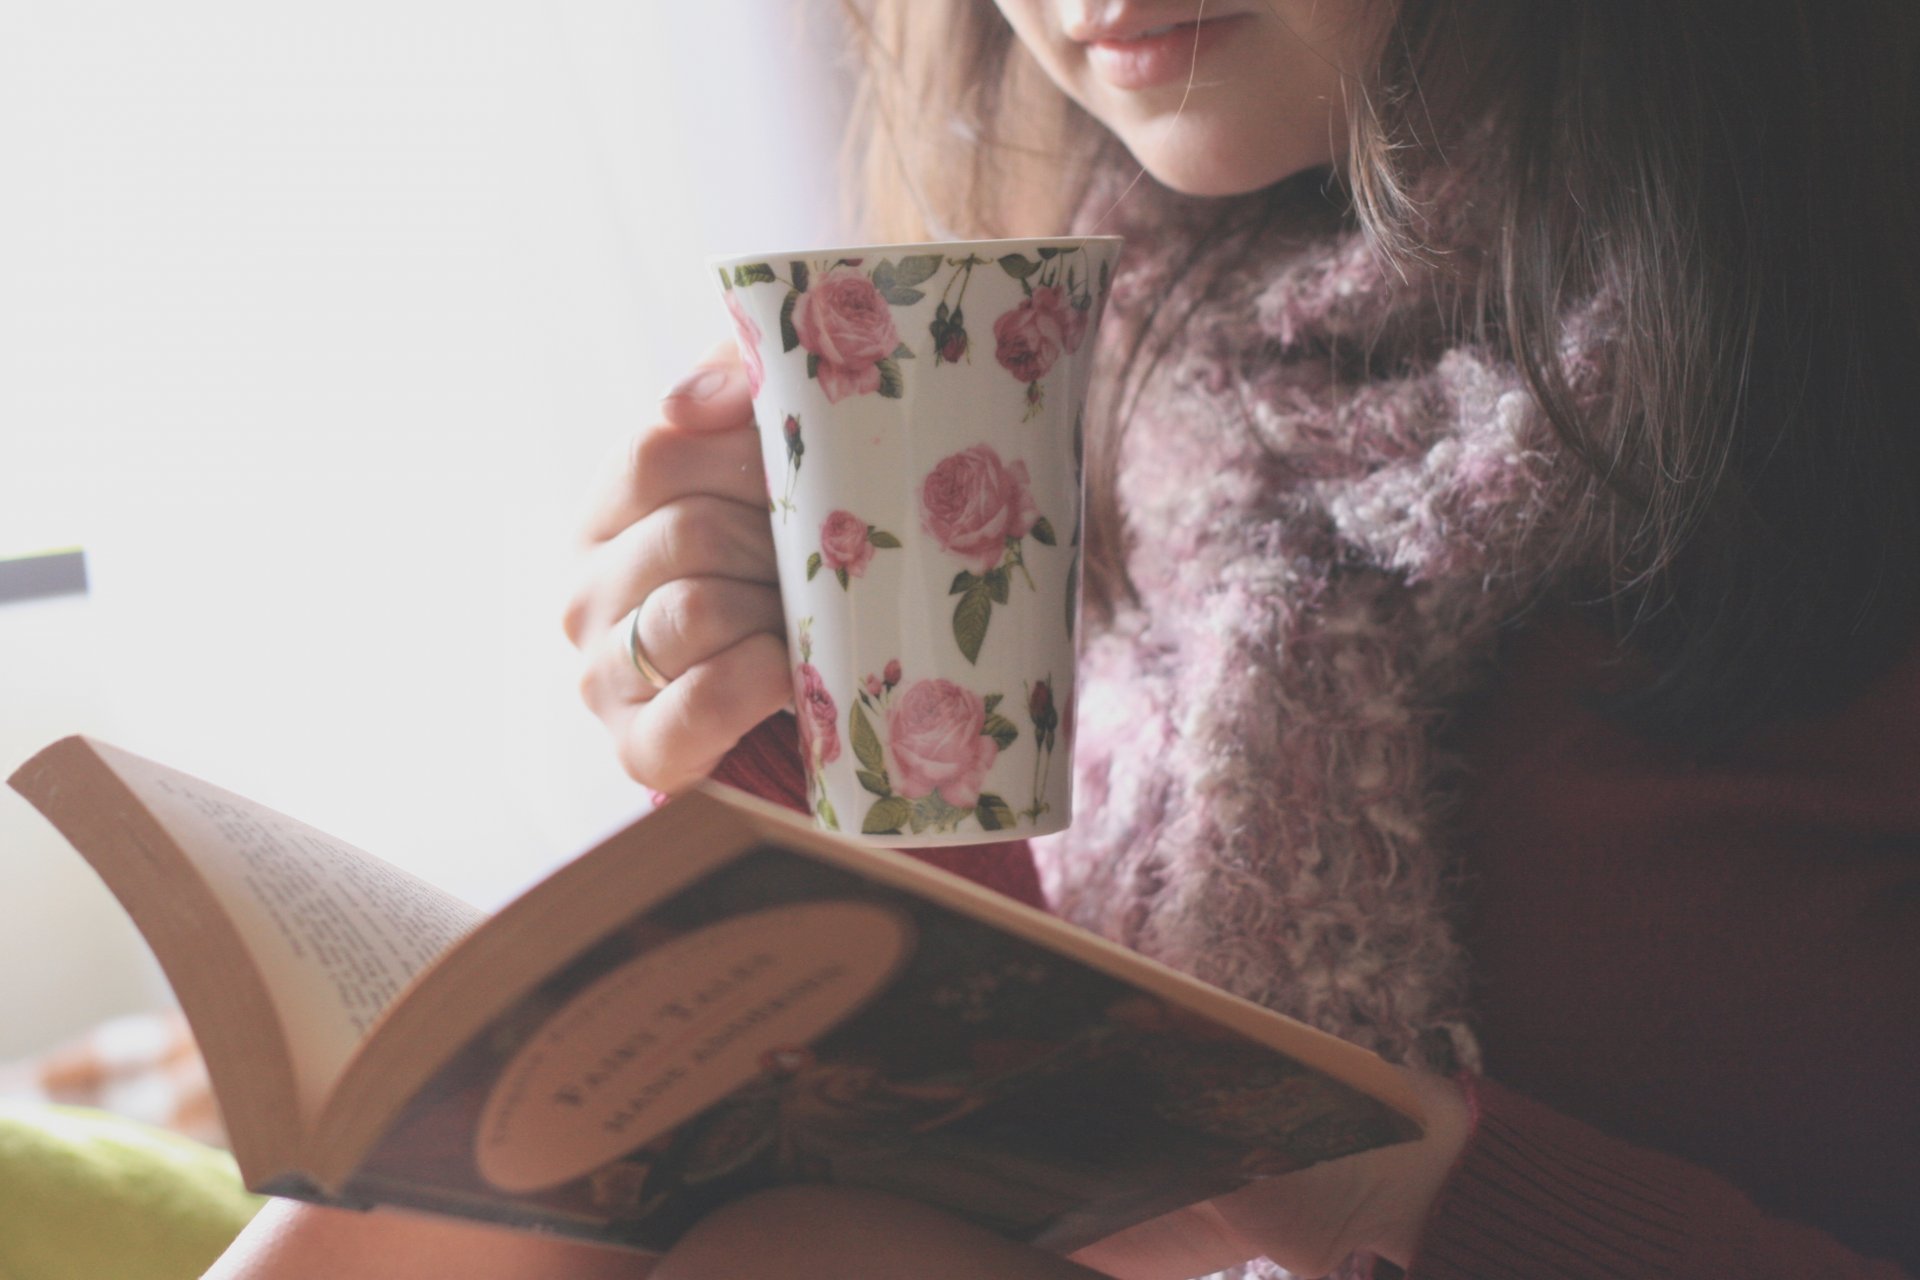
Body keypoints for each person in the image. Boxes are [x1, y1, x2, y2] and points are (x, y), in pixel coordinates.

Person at [210, 1, 1918, 1276]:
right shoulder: (1128, 348)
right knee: (422, 1218)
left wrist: (1379, 1177)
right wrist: (778, 718)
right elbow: (1018, 1142)